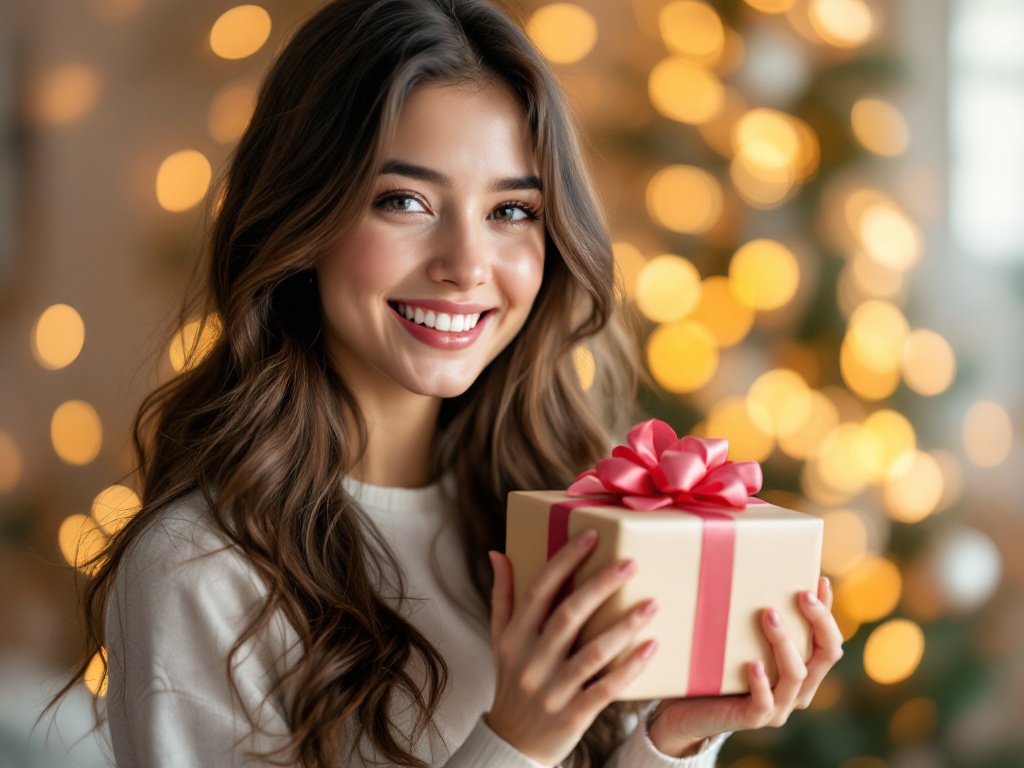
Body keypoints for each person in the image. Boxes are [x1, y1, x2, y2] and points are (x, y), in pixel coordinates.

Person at [52, 0, 844, 765]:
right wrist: (517, 741)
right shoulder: (201, 570)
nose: (466, 266)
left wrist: (671, 741)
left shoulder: (564, 514)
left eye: (511, 212)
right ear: (303, 223)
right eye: (405, 201)